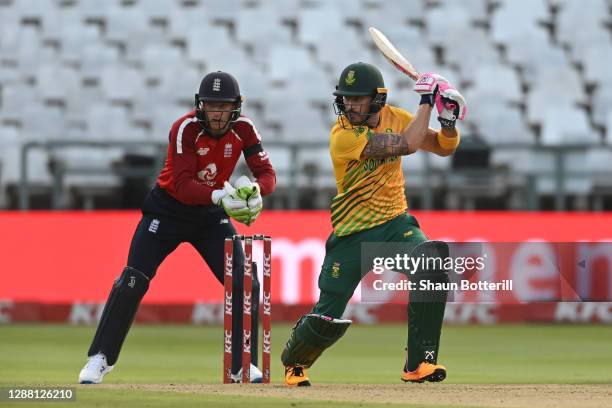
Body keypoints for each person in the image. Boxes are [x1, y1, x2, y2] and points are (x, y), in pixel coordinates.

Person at [78, 71, 276, 384]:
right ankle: (100, 358)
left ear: (236, 107)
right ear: (200, 105)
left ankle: (242, 364)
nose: (216, 114)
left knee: (244, 282)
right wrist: (221, 195)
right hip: (167, 210)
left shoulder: (245, 129)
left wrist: (255, 189)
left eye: (223, 106)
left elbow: (266, 173)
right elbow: (183, 185)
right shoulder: (185, 128)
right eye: (211, 106)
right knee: (132, 280)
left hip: (210, 216)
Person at [280, 62, 467, 386]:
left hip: (395, 224)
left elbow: (442, 147)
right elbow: (406, 144)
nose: (350, 106)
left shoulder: (396, 117)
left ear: (377, 99)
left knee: (432, 263)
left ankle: (419, 363)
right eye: (346, 98)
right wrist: (426, 100)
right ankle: (295, 363)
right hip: (352, 232)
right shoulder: (343, 136)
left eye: (358, 99)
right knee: (327, 314)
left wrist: (447, 122)